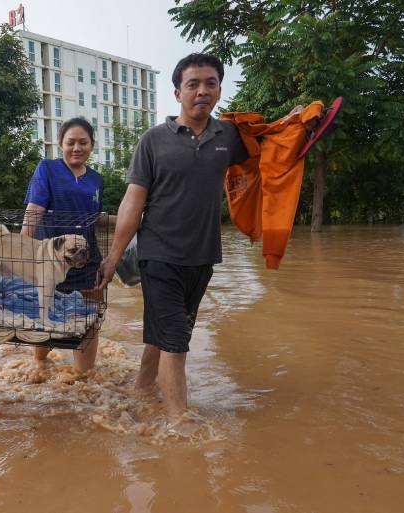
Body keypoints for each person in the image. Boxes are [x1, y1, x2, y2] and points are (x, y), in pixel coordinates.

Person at [97, 53, 251, 432]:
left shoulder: (228, 137)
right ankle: (179, 422)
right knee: (177, 340)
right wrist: (114, 257)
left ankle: (141, 390)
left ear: (219, 89)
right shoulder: (153, 141)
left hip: (202, 257)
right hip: (158, 255)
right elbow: (132, 203)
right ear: (177, 92)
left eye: (210, 83)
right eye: (193, 84)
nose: (202, 91)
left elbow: (274, 154)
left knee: (163, 335)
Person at [22, 117, 114, 373]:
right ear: (60, 144)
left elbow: (95, 219)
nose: (77, 148)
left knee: (90, 318)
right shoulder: (47, 169)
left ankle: (84, 376)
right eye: (70, 142)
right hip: (51, 259)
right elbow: (34, 210)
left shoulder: (96, 179)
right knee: (46, 314)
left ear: (92, 145)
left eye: (83, 142)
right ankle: (40, 365)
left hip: (88, 261)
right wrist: (21, 250)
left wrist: (135, 221)